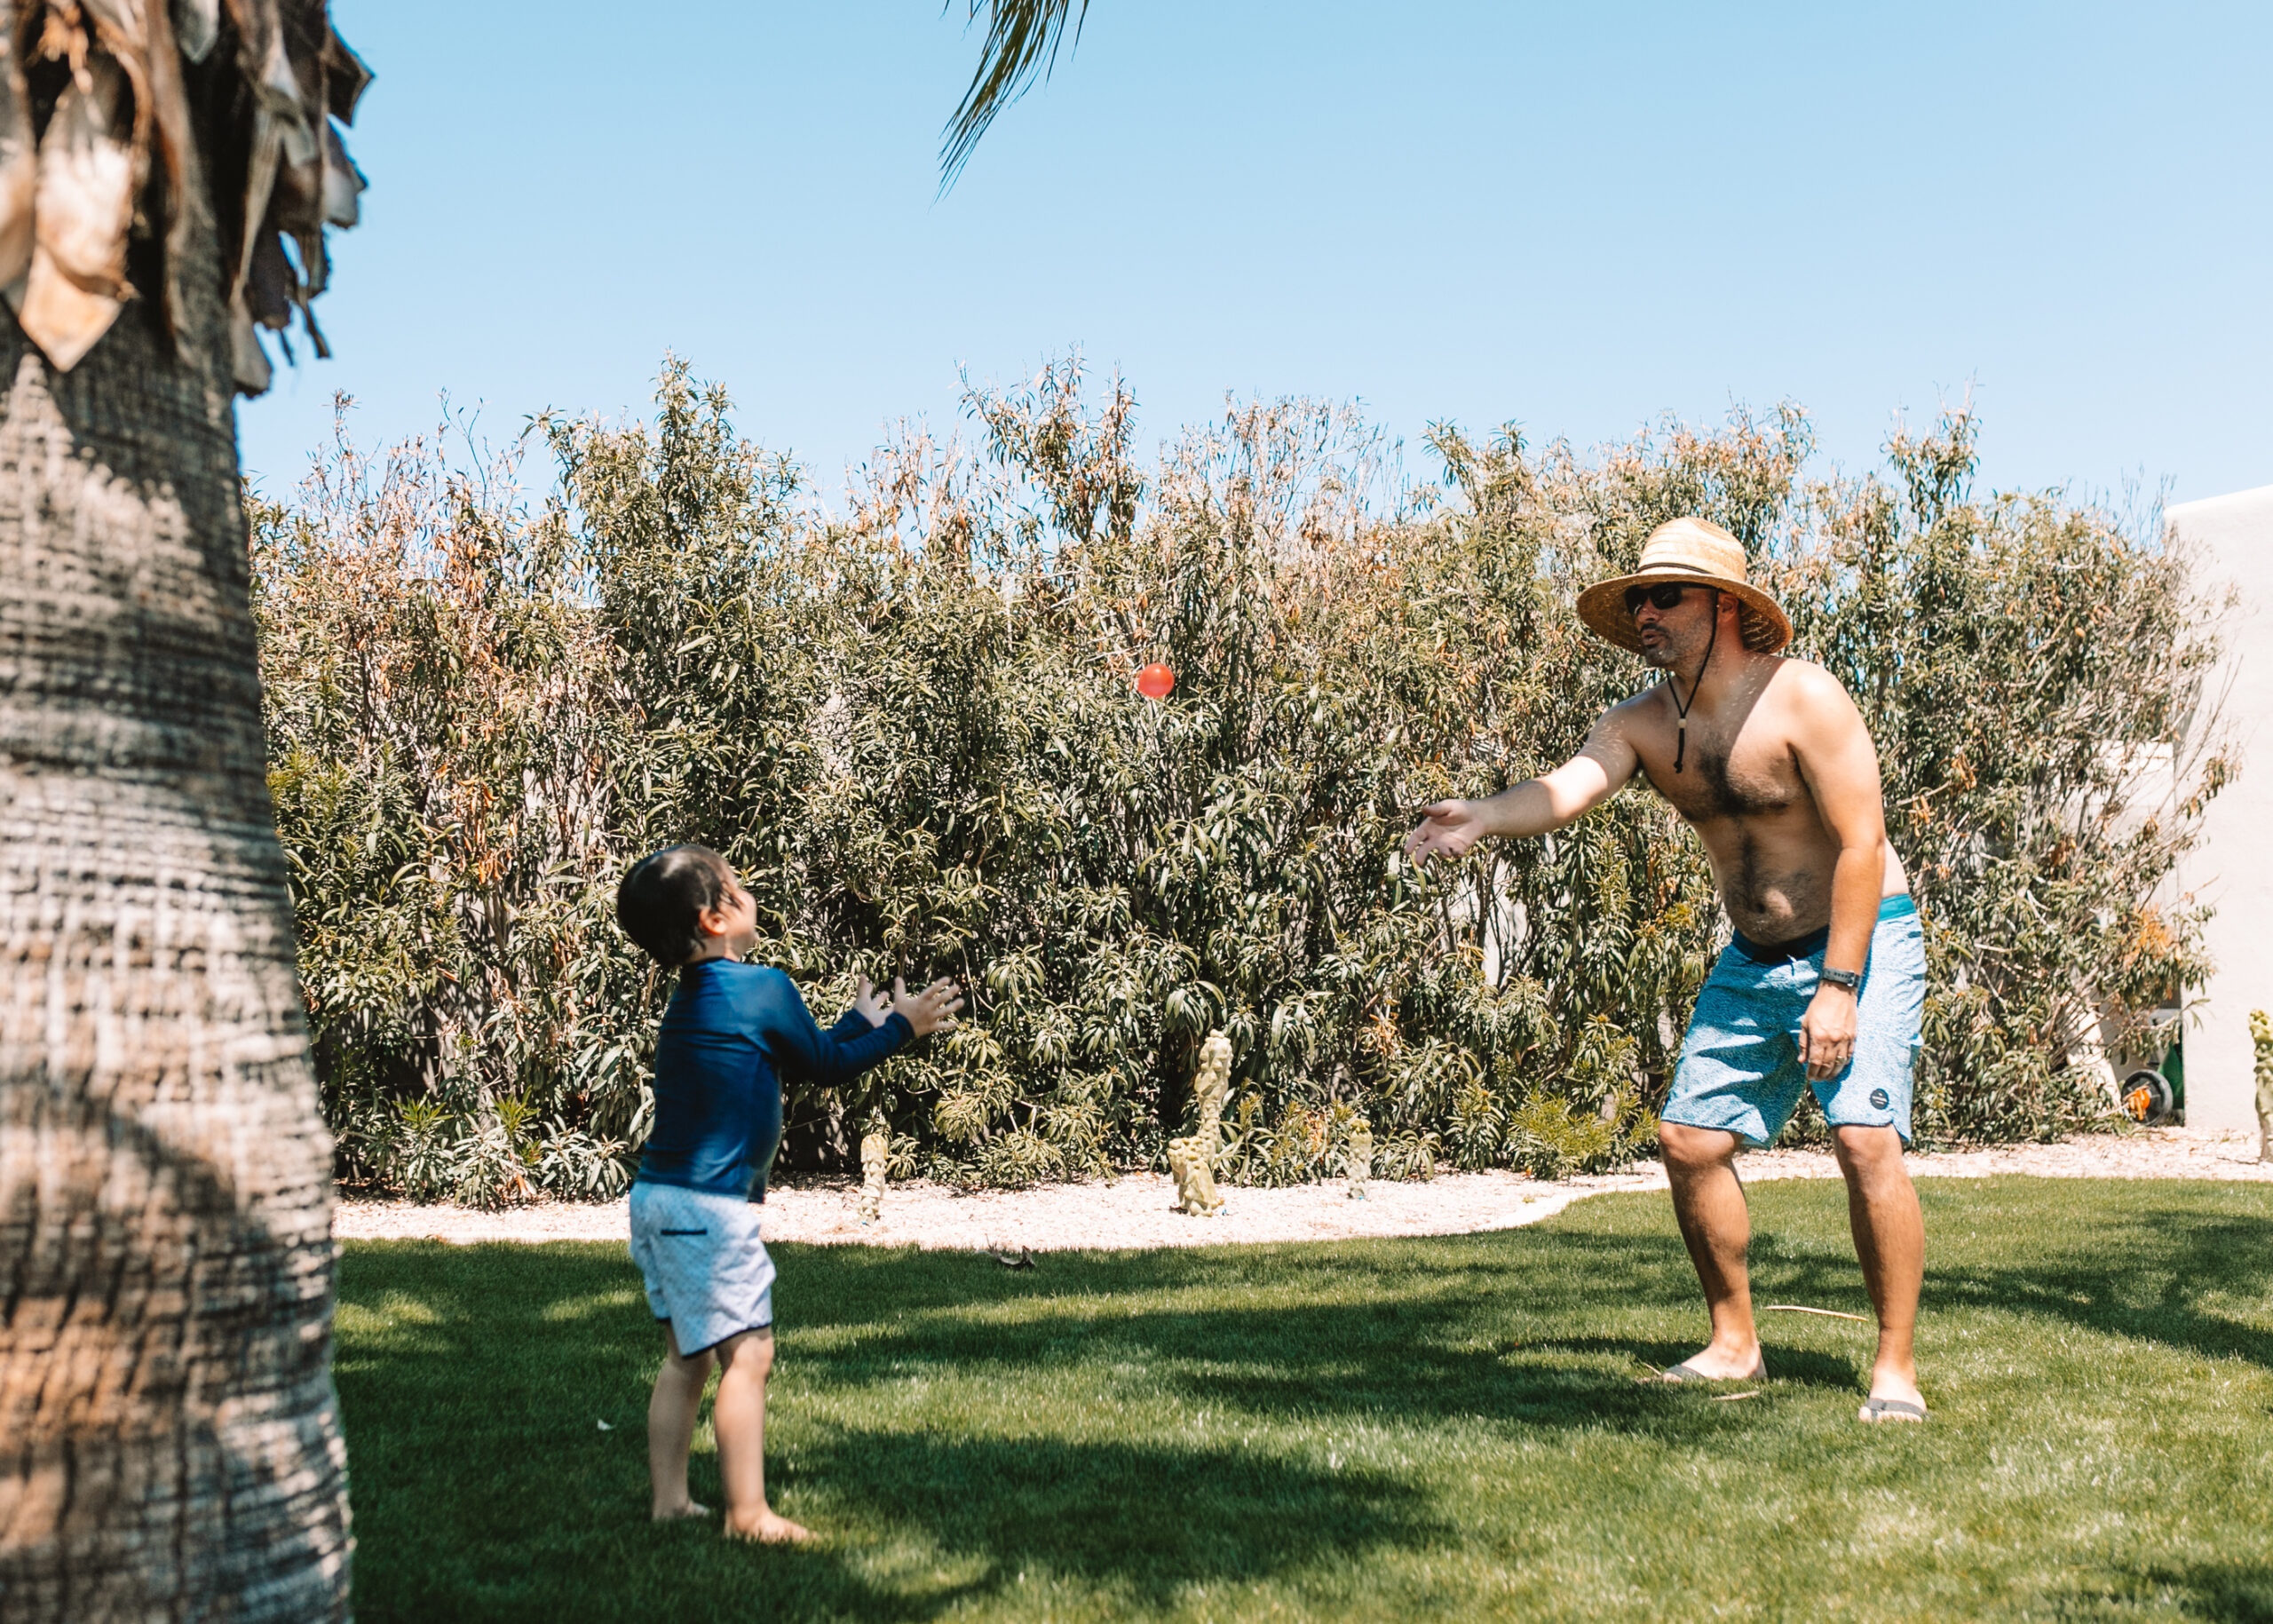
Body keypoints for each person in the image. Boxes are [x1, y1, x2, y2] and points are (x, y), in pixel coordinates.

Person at [1406, 517, 1929, 1424]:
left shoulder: (1804, 698)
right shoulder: (1641, 723)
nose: (1645, 611)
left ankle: (1894, 1367)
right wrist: (1484, 814)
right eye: (1637, 598)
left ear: (1723, 606)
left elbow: (1861, 844)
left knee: (1862, 1140)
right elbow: (1569, 785)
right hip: (1754, 952)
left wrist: (1839, 987)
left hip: (1861, 935)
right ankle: (1735, 1345)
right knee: (1689, 1142)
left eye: (1665, 595)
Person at [614, 844, 963, 1540]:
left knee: (686, 1356)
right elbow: (827, 1067)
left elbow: (807, 1053)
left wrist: (857, 1024)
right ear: (715, 918)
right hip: (712, 1209)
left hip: (658, 1200)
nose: (748, 893)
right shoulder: (764, 986)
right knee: (750, 1356)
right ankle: (748, 1513)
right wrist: (902, 1026)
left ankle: (671, 1501)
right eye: (736, 888)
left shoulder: (694, 1004)